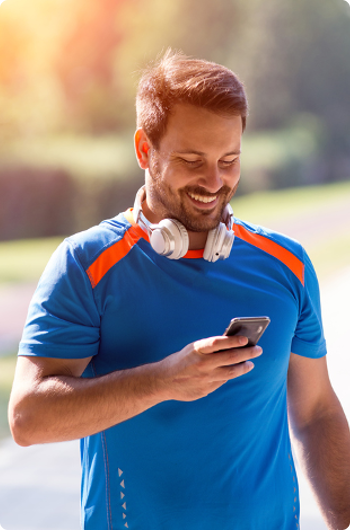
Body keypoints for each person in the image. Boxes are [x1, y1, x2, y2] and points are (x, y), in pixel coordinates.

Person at [9, 50, 350, 530]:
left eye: (229, 161)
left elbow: (316, 412)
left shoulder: (286, 264)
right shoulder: (84, 265)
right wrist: (163, 381)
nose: (215, 182)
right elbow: (27, 418)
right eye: (193, 161)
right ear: (145, 150)